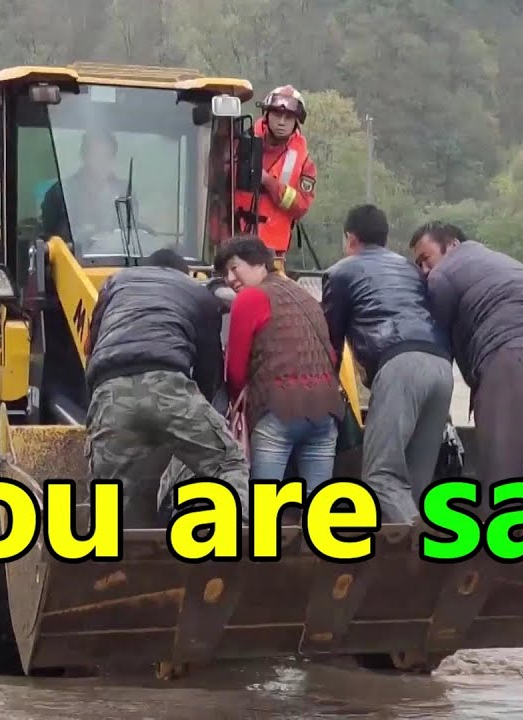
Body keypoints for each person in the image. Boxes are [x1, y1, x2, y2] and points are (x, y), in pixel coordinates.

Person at [409, 221, 523, 497]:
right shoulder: (505, 262)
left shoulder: (443, 275)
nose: (424, 271)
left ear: (452, 245)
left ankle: (498, 537)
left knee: (501, 486)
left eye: (425, 259)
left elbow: (437, 349)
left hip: (516, 363)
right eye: (418, 265)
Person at [84, 248, 251, 525]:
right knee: (227, 463)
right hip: (168, 384)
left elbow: (93, 342)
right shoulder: (196, 292)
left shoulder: (115, 283)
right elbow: (209, 366)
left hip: (109, 389)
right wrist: (198, 414)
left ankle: (104, 565)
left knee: (109, 500)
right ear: (182, 274)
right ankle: (238, 548)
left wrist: (98, 406)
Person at [322, 205, 454, 523]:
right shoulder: (412, 270)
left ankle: (426, 554)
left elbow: (330, 343)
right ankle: (420, 564)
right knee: (416, 485)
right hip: (442, 367)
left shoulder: (341, 272)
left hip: (399, 366)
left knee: (381, 478)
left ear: (350, 238)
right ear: (386, 237)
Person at [214, 235, 345, 485]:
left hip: (277, 410)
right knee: (318, 507)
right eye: (225, 274)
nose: (230, 279)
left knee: (265, 506)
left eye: (234, 268)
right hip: (326, 410)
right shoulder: (306, 296)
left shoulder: (250, 298)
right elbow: (330, 355)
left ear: (259, 263)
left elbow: (236, 371)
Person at [233, 85, 317, 260]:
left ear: (297, 121)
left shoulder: (305, 162)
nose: (281, 122)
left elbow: (301, 206)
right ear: (267, 114)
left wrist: (268, 182)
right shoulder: (238, 143)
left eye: (288, 117)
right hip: (233, 244)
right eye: (277, 114)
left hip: (273, 254)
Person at [40, 129, 126, 250]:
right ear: (84, 155)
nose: (101, 162)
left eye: (107, 156)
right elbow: (47, 242)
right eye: (96, 156)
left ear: (113, 158)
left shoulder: (125, 194)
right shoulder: (59, 193)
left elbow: (130, 234)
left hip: (120, 265)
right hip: (71, 264)